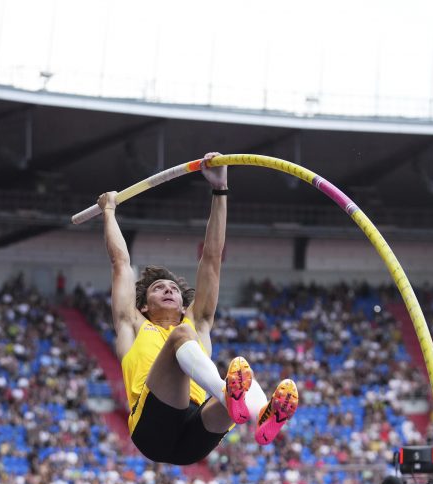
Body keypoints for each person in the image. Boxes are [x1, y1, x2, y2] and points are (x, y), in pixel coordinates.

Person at [97, 151, 298, 465]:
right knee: (188, 342)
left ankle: (262, 420)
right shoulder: (132, 325)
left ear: (182, 303)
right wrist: (108, 211)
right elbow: (121, 264)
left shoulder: (198, 323)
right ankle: (231, 397)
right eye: (158, 288)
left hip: (193, 436)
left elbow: (213, 259)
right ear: (144, 306)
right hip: (152, 430)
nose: (168, 290)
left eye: (174, 289)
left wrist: (220, 191)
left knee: (247, 381)